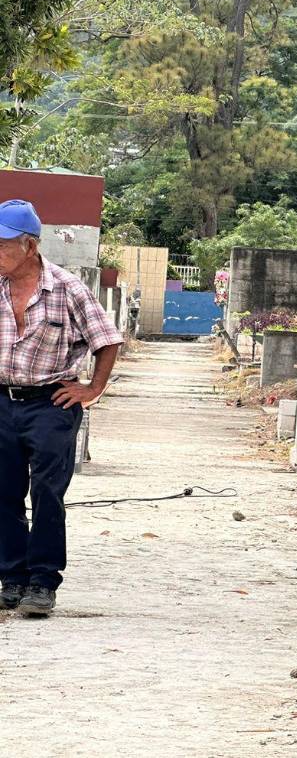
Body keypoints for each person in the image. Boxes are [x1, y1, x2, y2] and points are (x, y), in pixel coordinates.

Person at [0, 200, 123, 617]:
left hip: (51, 402)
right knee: (3, 493)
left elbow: (107, 339)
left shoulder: (67, 287)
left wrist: (93, 388)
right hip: (2, 401)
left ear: (29, 246)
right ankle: (11, 579)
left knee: (48, 492)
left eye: (2, 245)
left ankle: (42, 582)